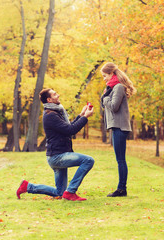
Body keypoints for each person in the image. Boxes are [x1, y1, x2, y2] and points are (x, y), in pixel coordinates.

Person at [16, 88, 94, 201]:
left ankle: (27, 187)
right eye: (55, 94)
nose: (58, 95)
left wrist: (81, 115)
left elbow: (67, 127)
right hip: (57, 157)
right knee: (88, 160)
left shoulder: (55, 112)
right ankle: (71, 191)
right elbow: (70, 130)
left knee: (60, 192)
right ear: (49, 99)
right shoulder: (50, 115)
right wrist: (85, 117)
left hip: (57, 155)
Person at [101, 62, 136, 197]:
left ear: (111, 74)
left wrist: (105, 99)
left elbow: (114, 106)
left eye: (105, 76)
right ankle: (121, 188)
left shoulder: (118, 87)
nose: (104, 78)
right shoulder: (112, 88)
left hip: (120, 127)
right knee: (119, 159)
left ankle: (121, 189)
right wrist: (105, 97)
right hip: (117, 127)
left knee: (120, 159)